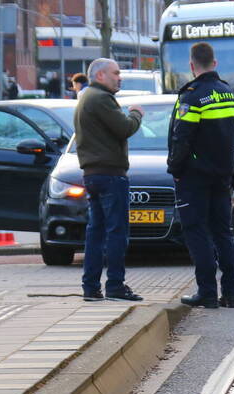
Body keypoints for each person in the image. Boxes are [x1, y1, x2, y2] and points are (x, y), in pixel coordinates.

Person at [167, 42, 234, 309]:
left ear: (191, 65)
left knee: (196, 231)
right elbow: (232, 136)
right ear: (215, 63)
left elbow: (182, 138)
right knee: (223, 233)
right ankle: (231, 293)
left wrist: (175, 169)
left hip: (195, 176)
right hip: (223, 175)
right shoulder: (230, 94)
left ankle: (207, 292)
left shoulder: (192, 96)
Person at [74, 57, 145, 302]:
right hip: (110, 174)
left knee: (96, 232)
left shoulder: (86, 97)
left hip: (93, 174)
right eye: (115, 73)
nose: (119, 77)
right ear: (100, 75)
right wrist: (136, 114)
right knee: (116, 232)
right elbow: (125, 128)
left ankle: (91, 287)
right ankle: (115, 285)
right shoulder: (101, 98)